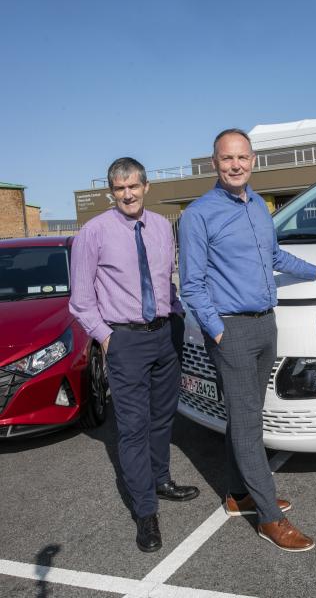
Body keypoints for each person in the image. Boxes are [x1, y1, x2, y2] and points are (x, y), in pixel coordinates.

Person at [178, 129, 316, 553]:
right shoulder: (198, 215)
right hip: (231, 329)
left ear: (253, 160)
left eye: (241, 157)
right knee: (249, 421)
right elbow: (192, 283)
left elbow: (275, 257)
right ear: (214, 163)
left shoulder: (259, 205)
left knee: (246, 415)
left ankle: (240, 495)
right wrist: (215, 329)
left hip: (264, 324)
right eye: (226, 159)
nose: (235, 165)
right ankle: (270, 519)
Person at [69, 157, 199, 553]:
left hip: (164, 335)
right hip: (124, 340)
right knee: (132, 428)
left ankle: (161, 479)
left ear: (146, 187)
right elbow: (81, 300)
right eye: (119, 188)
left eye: (133, 186)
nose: (127, 194)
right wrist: (106, 338)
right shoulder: (93, 233)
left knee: (162, 418)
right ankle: (145, 511)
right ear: (112, 191)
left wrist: (176, 319)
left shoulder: (162, 227)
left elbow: (165, 281)